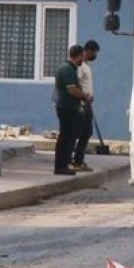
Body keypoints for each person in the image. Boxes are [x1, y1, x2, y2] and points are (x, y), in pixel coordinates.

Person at [53, 44, 90, 176]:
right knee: (67, 138)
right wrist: (85, 97)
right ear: (79, 55)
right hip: (67, 108)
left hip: (67, 107)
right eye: (82, 57)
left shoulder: (69, 68)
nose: (83, 60)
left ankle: (64, 164)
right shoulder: (67, 69)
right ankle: (62, 166)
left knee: (67, 137)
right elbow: (72, 90)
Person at [69, 39, 100, 172]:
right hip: (81, 104)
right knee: (78, 132)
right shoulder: (81, 66)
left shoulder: (86, 66)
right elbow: (77, 82)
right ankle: (72, 160)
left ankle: (78, 160)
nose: (95, 56)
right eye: (94, 53)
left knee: (86, 132)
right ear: (88, 51)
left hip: (87, 103)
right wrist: (83, 97)